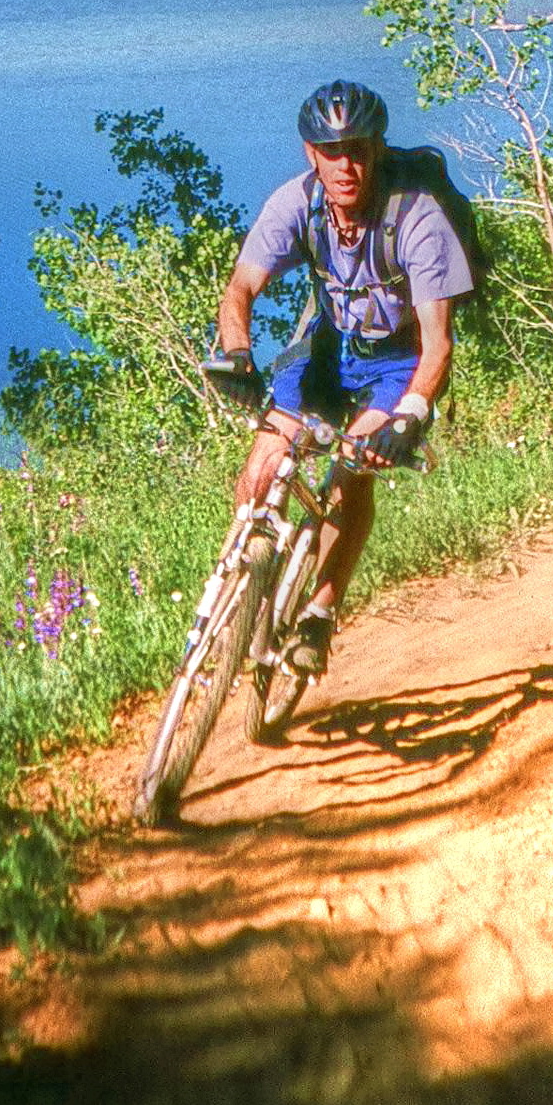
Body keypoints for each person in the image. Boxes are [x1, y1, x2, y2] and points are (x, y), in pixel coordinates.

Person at [207, 80, 474, 673]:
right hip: (330, 347)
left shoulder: (417, 220)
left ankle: (319, 614)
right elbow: (241, 287)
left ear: (378, 148)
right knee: (263, 463)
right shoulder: (296, 203)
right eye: (332, 151)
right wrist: (237, 352)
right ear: (311, 154)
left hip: (399, 363)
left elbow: (438, 346)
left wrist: (409, 416)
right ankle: (242, 579)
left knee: (351, 473)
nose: (345, 164)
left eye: (357, 147)